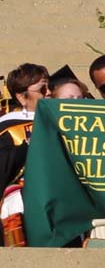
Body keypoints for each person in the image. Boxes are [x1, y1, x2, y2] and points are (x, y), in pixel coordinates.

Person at [1, 63, 50, 246]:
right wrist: (29, 144)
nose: (49, 93)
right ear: (22, 97)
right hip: (24, 204)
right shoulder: (8, 128)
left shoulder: (64, 119)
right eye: (42, 88)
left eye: (49, 86)